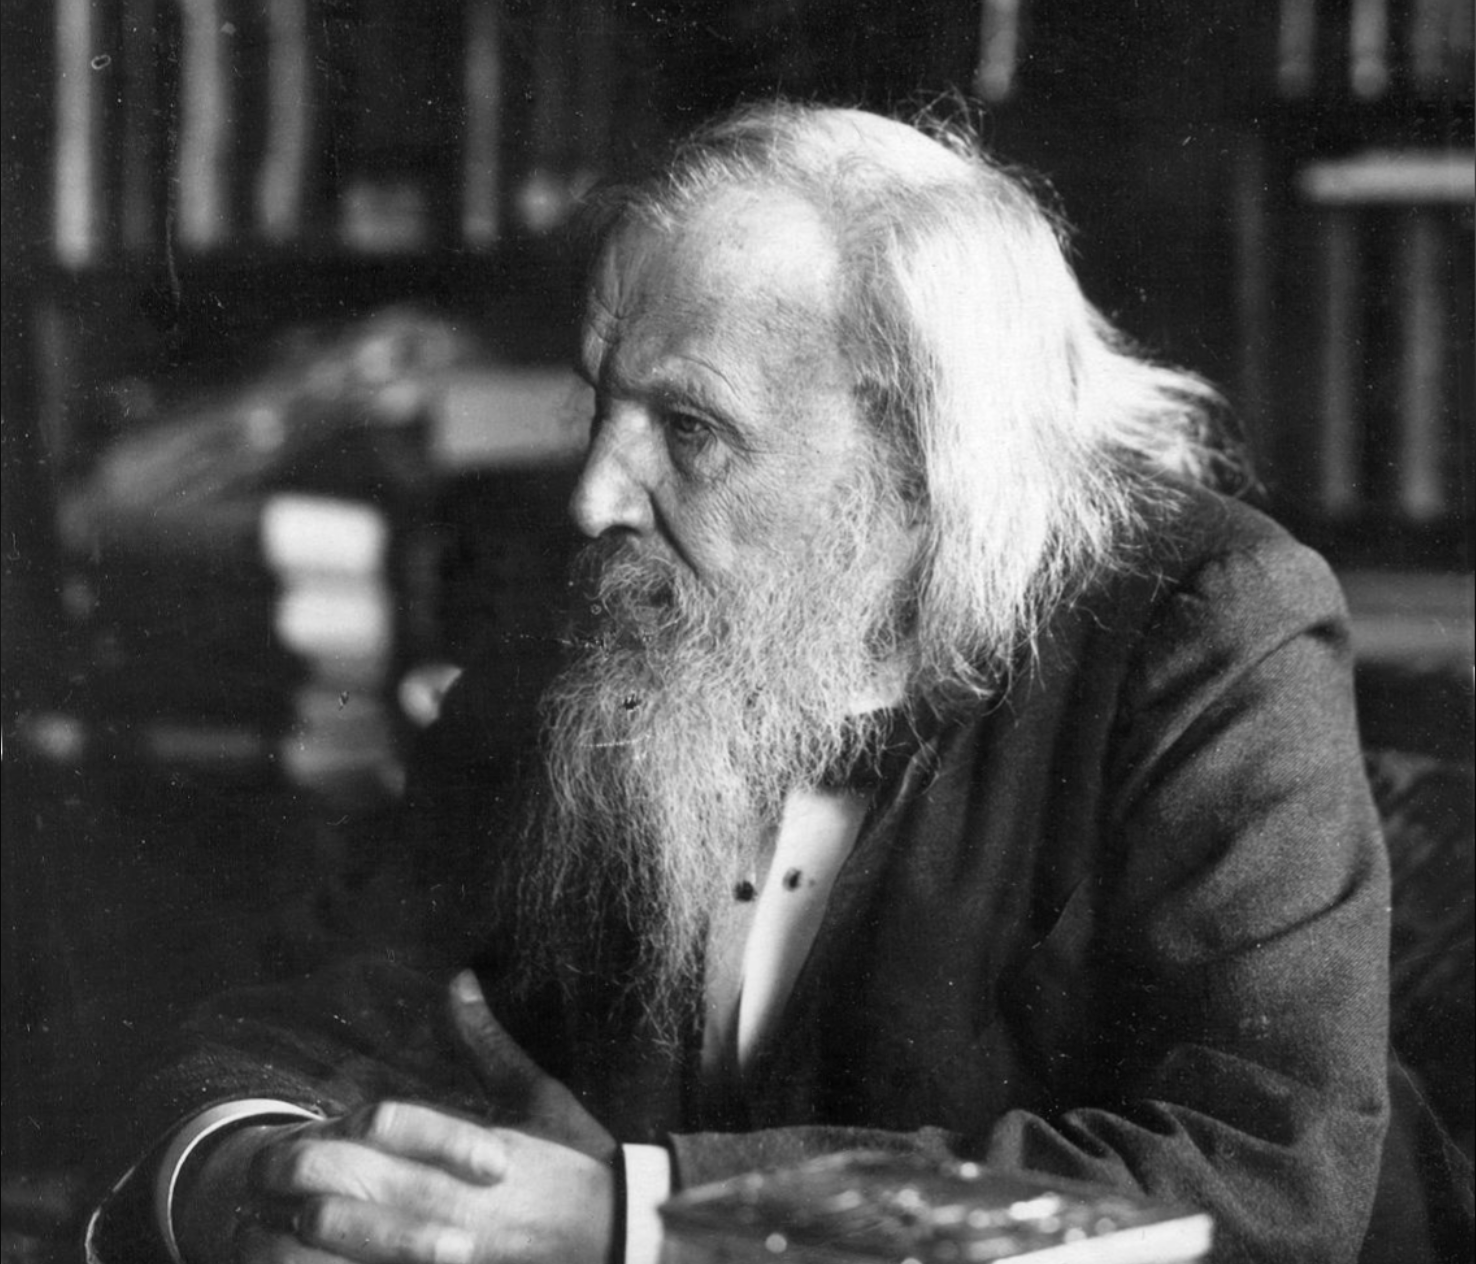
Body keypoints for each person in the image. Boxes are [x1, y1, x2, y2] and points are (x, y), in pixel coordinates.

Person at [86, 102, 1445, 1264]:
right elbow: (318, 1000)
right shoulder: (609, 603)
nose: (594, 491)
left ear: (920, 456)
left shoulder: (1209, 626)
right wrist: (247, 1184)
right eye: (600, 402)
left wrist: (637, 1223)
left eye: (689, 428)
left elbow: (1265, 1180)